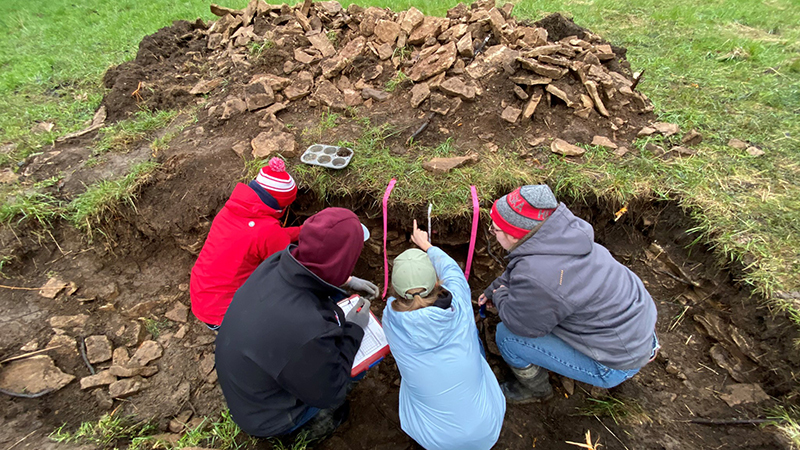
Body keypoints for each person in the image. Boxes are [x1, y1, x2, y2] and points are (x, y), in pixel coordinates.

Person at [479, 184, 658, 403]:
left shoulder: (540, 277)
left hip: (613, 363)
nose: (492, 232)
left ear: (514, 236)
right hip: (636, 334)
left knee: (507, 337)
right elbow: (524, 272)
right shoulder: (565, 239)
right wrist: (495, 289)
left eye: (494, 230)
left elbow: (522, 325)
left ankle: (535, 391)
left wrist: (499, 296)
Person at [215, 207, 379, 440]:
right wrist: (354, 328)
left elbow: (315, 265)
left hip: (247, 385)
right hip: (268, 416)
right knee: (349, 379)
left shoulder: (275, 262)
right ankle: (303, 431)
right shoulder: (309, 330)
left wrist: (347, 280)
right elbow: (328, 392)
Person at [382, 220, 505, 450]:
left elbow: (393, 304)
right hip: (485, 429)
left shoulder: (391, 320)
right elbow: (451, 270)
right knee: (473, 342)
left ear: (395, 291)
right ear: (436, 281)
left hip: (434, 441)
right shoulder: (458, 299)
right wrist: (425, 245)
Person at [189, 157, 302, 329]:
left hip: (202, 296)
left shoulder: (229, 212)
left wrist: (303, 230)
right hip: (225, 311)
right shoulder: (267, 231)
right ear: (280, 206)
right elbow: (289, 270)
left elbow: (265, 236)